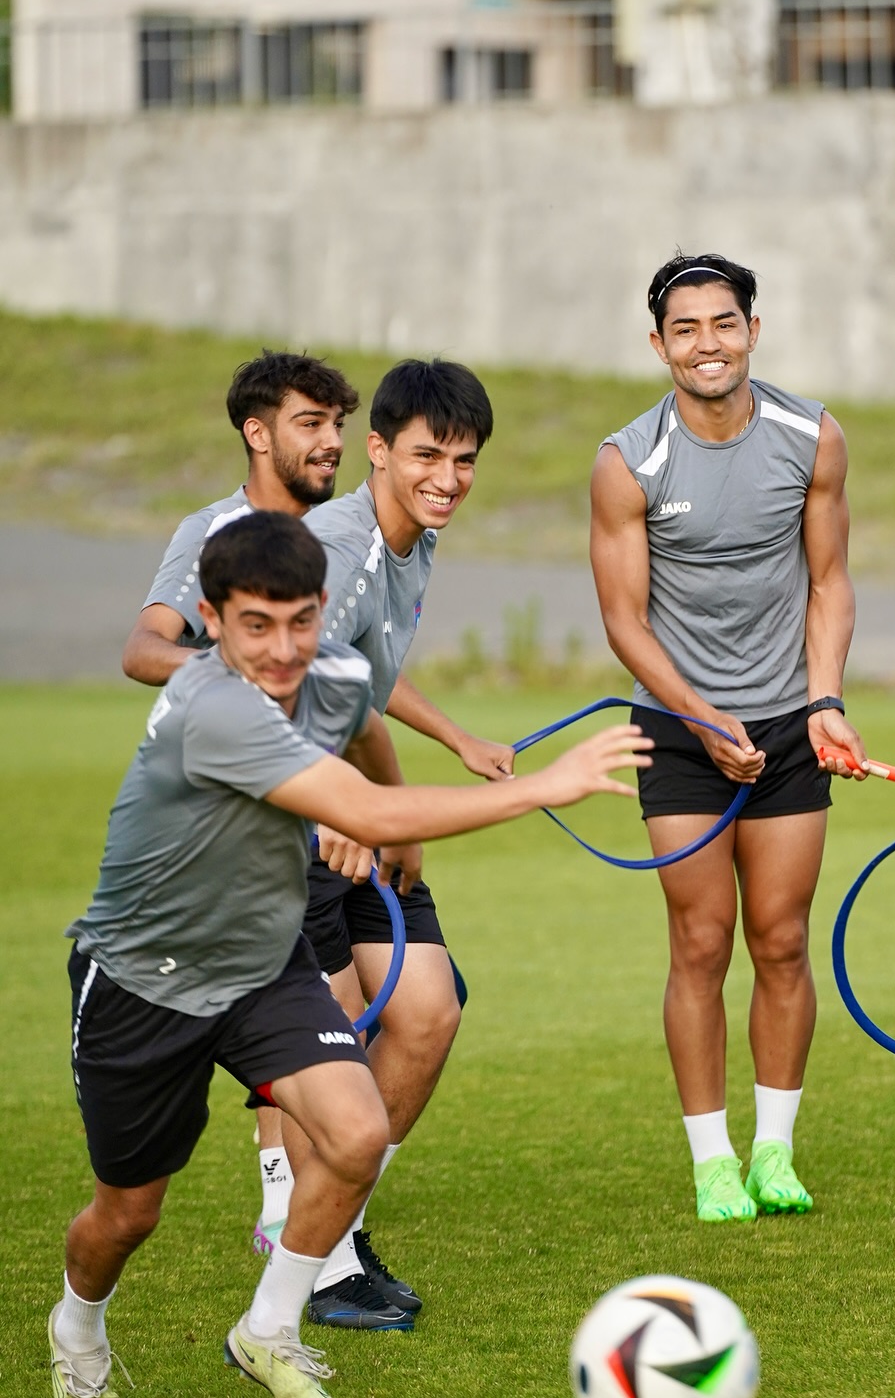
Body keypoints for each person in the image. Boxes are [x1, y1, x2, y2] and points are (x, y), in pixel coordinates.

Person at [54, 510, 648, 1398]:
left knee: (358, 1130)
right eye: (255, 625)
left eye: (300, 621)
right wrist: (542, 788)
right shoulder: (209, 706)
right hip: (147, 978)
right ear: (211, 623)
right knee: (128, 1214)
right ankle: (78, 1327)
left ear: (321, 608)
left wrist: (398, 818)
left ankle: (268, 1329)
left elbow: (362, 718)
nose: (283, 648)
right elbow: (362, 812)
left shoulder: (328, 665)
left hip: (263, 959)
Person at [590, 253, 867, 1223]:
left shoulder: (812, 434)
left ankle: (774, 1154)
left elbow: (829, 581)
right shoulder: (629, 460)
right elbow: (625, 622)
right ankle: (711, 1161)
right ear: (659, 343)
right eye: (686, 328)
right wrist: (703, 721)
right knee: (701, 942)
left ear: (753, 329)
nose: (707, 344)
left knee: (782, 940)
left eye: (724, 323)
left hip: (792, 723)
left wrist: (823, 698)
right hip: (676, 729)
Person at [119, 349, 361, 1263]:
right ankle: (288, 1209)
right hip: (232, 824)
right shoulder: (217, 529)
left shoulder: (339, 531)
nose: (330, 441)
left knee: (418, 1002)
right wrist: (254, 676)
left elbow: (361, 682)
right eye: (311, 423)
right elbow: (144, 649)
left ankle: (313, 1204)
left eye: (338, 424)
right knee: (308, 1006)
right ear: (257, 434)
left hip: (323, 806)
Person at [298, 356, 515, 1327]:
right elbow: (284, 693)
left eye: (466, 459)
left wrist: (448, 746)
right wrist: (351, 812)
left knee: (425, 1012)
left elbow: (364, 680)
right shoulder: (333, 551)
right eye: (428, 455)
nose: (449, 477)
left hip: (358, 809)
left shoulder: (411, 539)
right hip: (290, 825)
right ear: (377, 451)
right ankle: (319, 1255)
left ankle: (335, 1221)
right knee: (330, 1043)